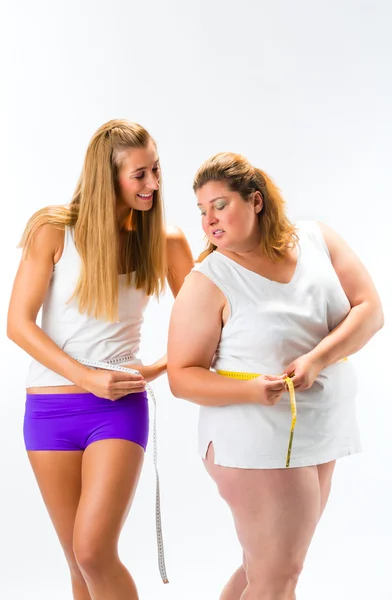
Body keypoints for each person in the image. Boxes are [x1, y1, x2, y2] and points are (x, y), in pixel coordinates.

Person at [167, 152, 383, 600]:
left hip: (321, 424)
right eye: (202, 211)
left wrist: (317, 360)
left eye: (220, 205)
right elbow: (182, 377)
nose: (208, 220)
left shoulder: (317, 240)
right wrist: (250, 390)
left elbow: (370, 310)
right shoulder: (208, 279)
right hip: (255, 436)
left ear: (256, 201)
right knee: (278, 576)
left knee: (264, 570)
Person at [7, 119, 194, 600]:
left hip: (116, 409)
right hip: (48, 410)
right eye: (140, 174)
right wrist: (85, 377)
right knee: (76, 561)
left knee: (93, 551)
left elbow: (204, 326)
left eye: (156, 170)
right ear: (106, 176)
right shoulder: (52, 230)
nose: (153, 183)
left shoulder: (165, 241)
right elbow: (18, 324)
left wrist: (148, 370)